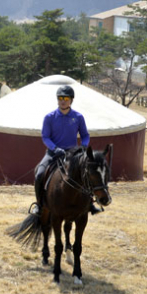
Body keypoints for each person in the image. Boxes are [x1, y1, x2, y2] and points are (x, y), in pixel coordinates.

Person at [30, 85, 103, 216]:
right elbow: (45, 137)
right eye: (60, 98)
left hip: (73, 153)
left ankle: (90, 204)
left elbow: (85, 135)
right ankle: (39, 204)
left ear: (71, 100)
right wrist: (55, 148)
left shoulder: (78, 117)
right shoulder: (49, 117)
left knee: (87, 173)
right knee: (39, 173)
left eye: (66, 98)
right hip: (53, 153)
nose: (62, 100)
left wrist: (83, 146)